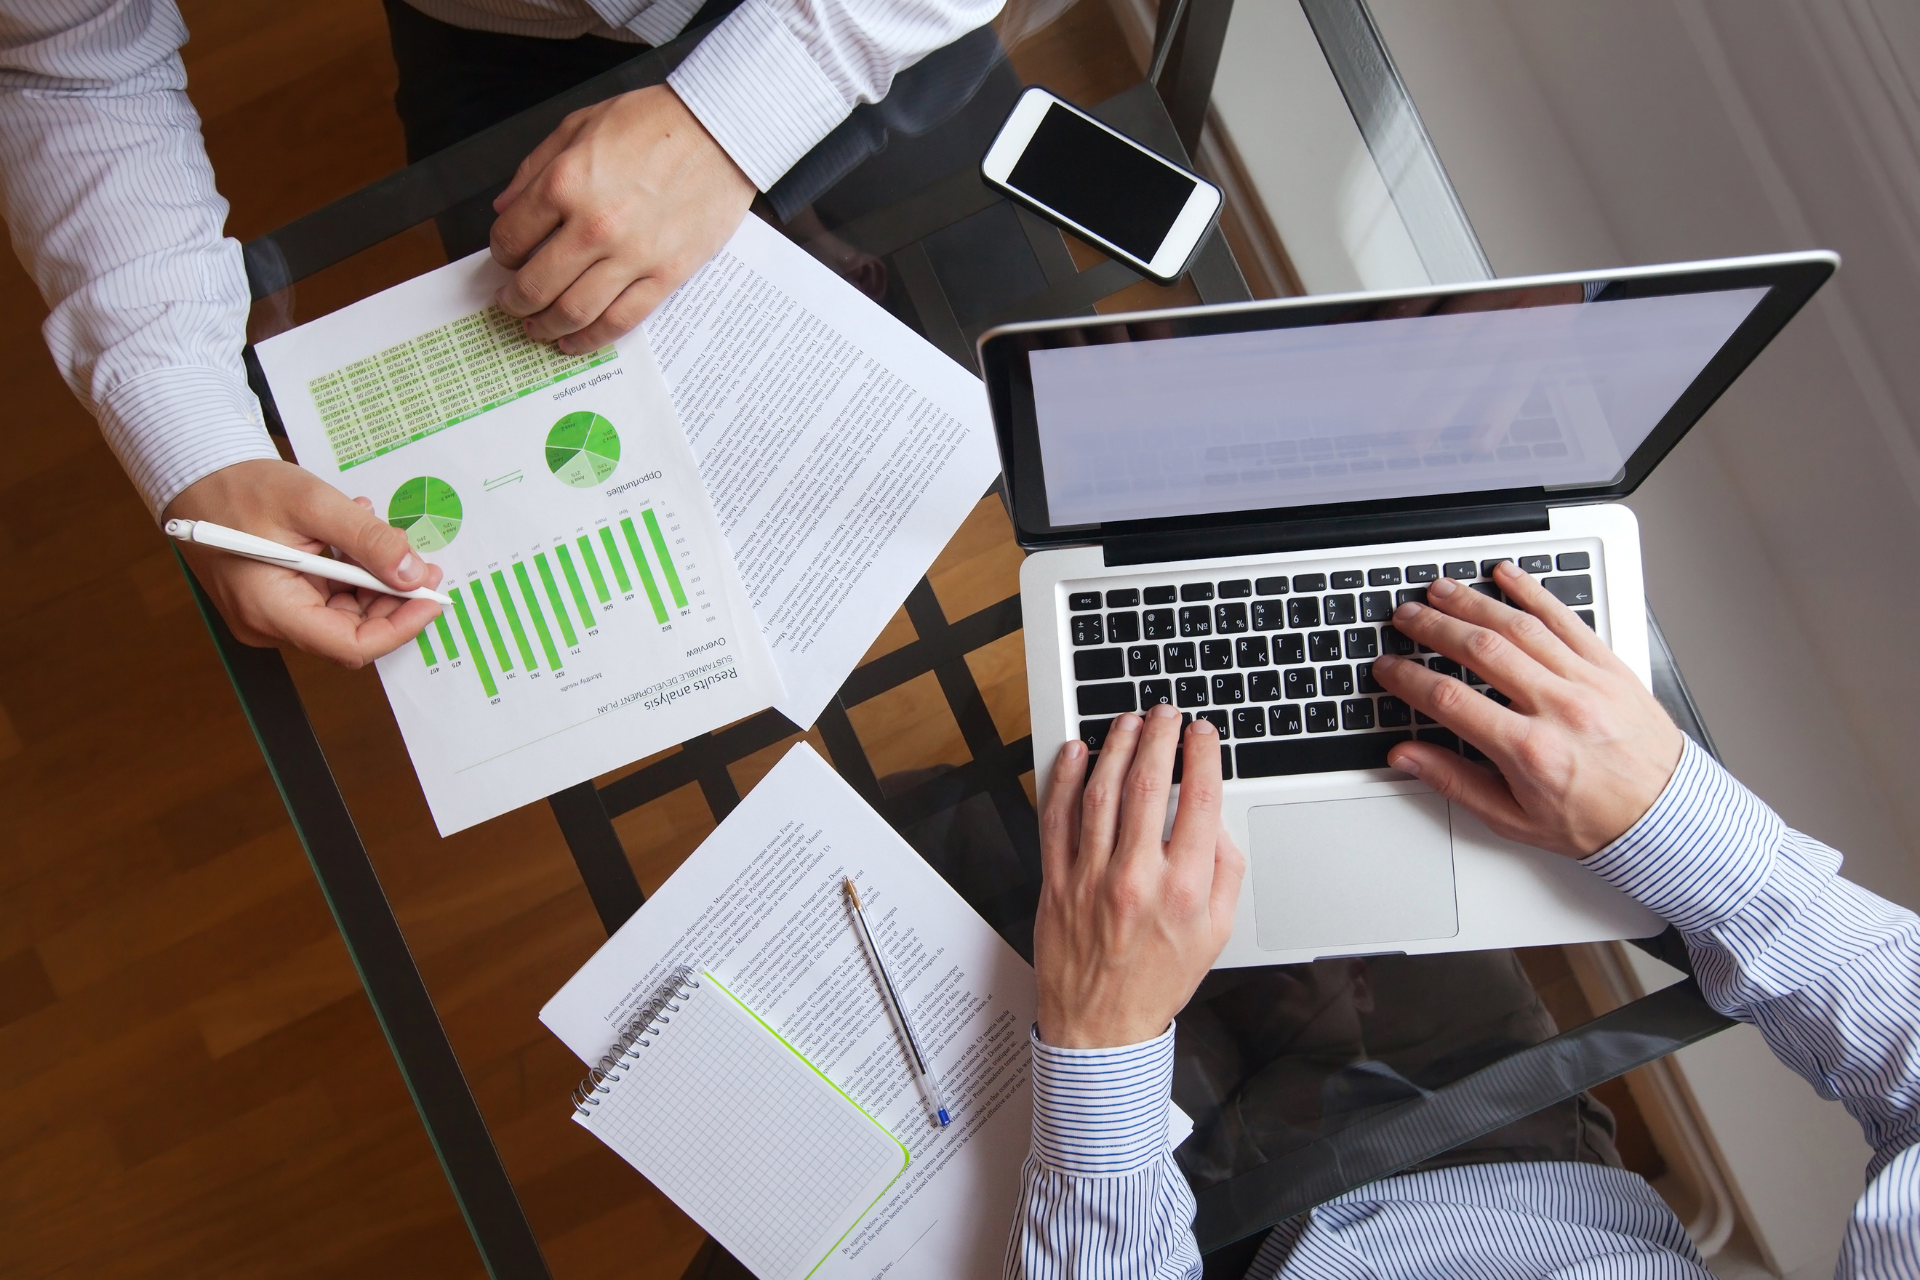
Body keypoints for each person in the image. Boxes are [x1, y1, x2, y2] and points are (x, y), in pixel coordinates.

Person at [0, 0, 997, 665]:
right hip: (495, 35)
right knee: (665, 587)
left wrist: (734, 111)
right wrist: (192, 435)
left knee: (1015, 418)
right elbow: (64, 61)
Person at [1010, 559, 1918, 1278]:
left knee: (991, 848)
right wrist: (1669, 817)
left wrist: (1103, 1042)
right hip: (1508, 1142)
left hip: (1225, 1229)